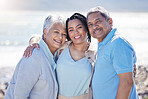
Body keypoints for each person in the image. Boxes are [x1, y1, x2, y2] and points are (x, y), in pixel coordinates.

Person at [23, 13, 96, 99]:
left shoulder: (94, 54)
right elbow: (40, 37)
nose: (75, 32)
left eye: (79, 27)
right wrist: (33, 43)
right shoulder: (62, 48)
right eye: (71, 30)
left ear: (87, 29)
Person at [4, 15, 67, 99]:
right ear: (45, 32)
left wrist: (33, 40)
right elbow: (19, 95)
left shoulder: (55, 54)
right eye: (56, 32)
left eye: (64, 34)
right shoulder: (33, 57)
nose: (60, 37)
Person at [86, 6, 139, 99]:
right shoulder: (104, 43)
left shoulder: (118, 43)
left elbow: (126, 83)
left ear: (110, 22)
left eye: (98, 22)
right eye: (90, 24)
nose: (94, 27)